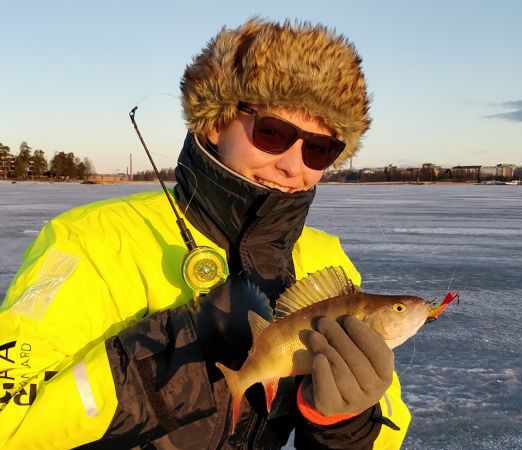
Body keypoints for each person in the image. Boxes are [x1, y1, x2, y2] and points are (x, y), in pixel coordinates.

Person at [0, 18, 411, 449]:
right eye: (273, 132)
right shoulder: (92, 240)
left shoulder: (325, 259)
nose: (295, 165)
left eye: (319, 148)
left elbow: (389, 428)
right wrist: (167, 365)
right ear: (216, 124)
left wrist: (346, 424)